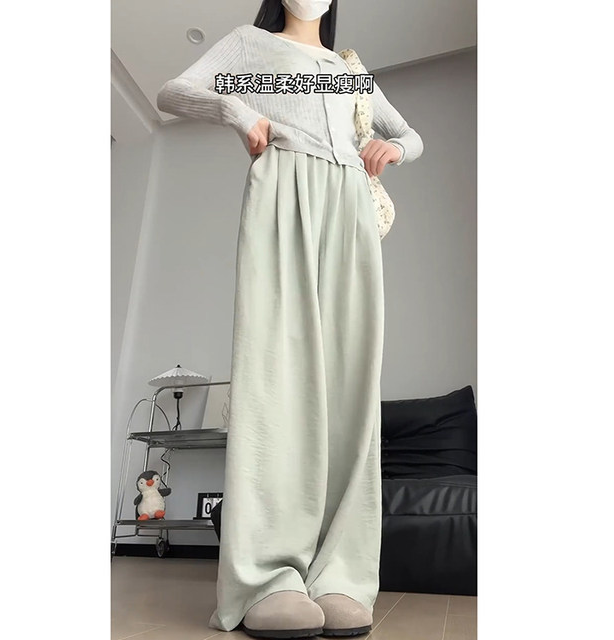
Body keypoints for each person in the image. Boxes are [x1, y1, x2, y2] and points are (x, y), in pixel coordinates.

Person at [156, 1, 424, 637]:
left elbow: (411, 136)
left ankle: (339, 573)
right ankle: (268, 576)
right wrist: (240, 111)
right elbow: (174, 91)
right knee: (276, 374)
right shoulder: (254, 49)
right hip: (285, 188)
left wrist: (391, 148)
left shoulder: (347, 70)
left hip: (351, 205)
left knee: (352, 383)